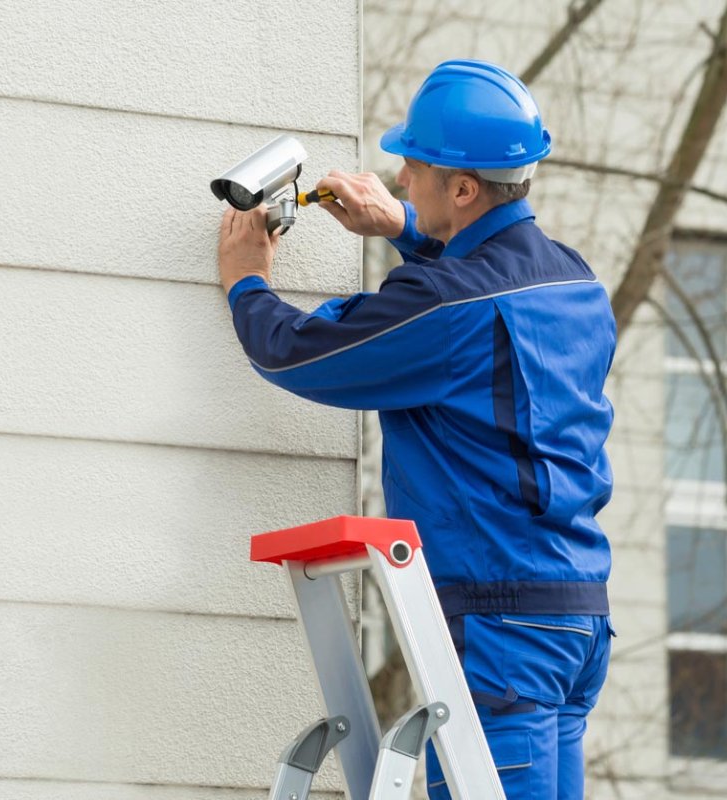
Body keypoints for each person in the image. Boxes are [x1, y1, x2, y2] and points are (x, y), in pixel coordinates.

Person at [217, 59, 616, 800]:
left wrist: (248, 281)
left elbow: (300, 351)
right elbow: (483, 300)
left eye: (413, 168)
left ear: (462, 188)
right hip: (575, 620)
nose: (400, 179)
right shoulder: (575, 282)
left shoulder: (448, 305)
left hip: (502, 630)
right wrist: (405, 228)